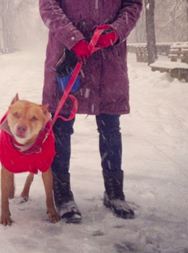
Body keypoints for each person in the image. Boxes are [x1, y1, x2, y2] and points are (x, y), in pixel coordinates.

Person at [39, 0, 143, 223]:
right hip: (67, 56)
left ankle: (114, 191)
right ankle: (62, 192)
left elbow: (133, 4)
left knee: (110, 127)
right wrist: (73, 38)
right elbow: (48, 5)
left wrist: (115, 32)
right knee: (62, 127)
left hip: (108, 59)